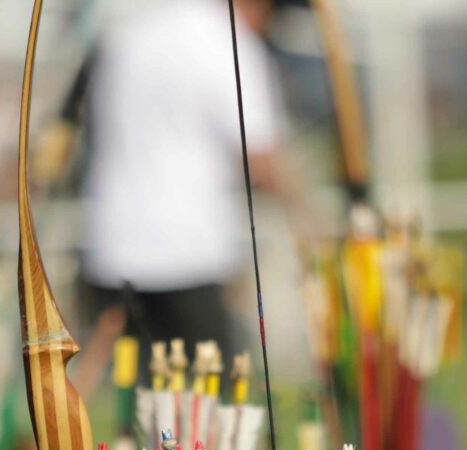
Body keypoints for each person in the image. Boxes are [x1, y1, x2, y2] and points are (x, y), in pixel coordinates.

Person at [72, 0, 309, 356]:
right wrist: (310, 218)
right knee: (206, 398)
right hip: (189, 254)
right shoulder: (225, 40)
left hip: (113, 246)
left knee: (128, 395)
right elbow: (261, 156)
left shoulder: (130, 34)